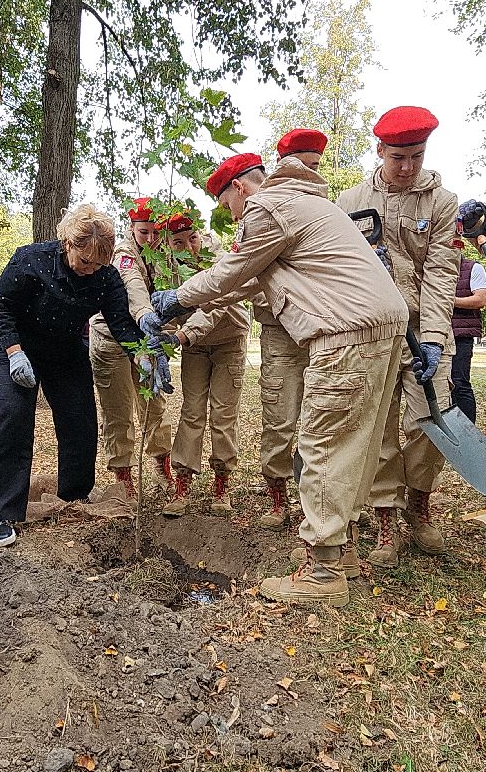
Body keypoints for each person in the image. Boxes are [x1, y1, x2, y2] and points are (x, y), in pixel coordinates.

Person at [147, 155, 409, 607]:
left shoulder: (268, 208)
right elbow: (243, 285)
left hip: (344, 334)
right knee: (356, 443)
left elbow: (231, 271)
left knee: (321, 444)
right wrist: (186, 311)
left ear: (241, 189)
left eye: (228, 205)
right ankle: (339, 549)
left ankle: (323, 571)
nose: (232, 216)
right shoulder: (306, 206)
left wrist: (175, 297)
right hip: (383, 328)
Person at [0, 204, 171, 548]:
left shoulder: (106, 277)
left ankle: (74, 494)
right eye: (85, 262)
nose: (90, 270)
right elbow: (1, 304)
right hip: (16, 346)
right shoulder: (32, 260)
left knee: (80, 418)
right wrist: (14, 352)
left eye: (99, 263)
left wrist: (141, 355)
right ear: (68, 243)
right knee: (13, 416)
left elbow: (120, 323)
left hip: (65, 351)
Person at [338, 106, 460, 566]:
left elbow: (441, 271)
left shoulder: (441, 202)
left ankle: (419, 503)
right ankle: (386, 516)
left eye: (417, 156)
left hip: (421, 329)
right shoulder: (350, 203)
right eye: (398, 157)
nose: (408, 167)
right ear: (380, 151)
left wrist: (432, 337)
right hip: (375, 333)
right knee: (381, 426)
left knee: (432, 418)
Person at [154, 210, 250, 517]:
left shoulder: (218, 258)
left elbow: (214, 307)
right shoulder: (165, 266)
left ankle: (222, 483)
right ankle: (183, 483)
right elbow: (164, 309)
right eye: (179, 242)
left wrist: (182, 336)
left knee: (223, 414)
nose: (190, 247)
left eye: (193, 238)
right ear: (169, 244)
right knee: (192, 412)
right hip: (193, 347)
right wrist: (161, 342)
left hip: (227, 342)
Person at [258, 131, 327, 527]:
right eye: (302, 167)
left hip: (322, 334)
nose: (309, 176)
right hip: (280, 331)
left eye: (315, 168)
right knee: (280, 418)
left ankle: (315, 499)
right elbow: (248, 277)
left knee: (320, 421)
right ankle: (276, 496)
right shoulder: (269, 211)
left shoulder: (330, 211)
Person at [90, 197, 173, 497]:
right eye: (143, 232)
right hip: (112, 339)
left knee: (154, 405)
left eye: (155, 232)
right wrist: (146, 315)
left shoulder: (162, 254)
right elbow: (134, 286)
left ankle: (161, 464)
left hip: (145, 339)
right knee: (119, 411)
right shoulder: (123, 253)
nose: (150, 238)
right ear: (131, 229)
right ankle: (123, 476)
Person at [451, 255, 486, 423]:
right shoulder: (431, 267)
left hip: (461, 337)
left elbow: (480, 299)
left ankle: (467, 431)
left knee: (459, 382)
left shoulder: (474, 268)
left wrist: (449, 301)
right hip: (435, 333)